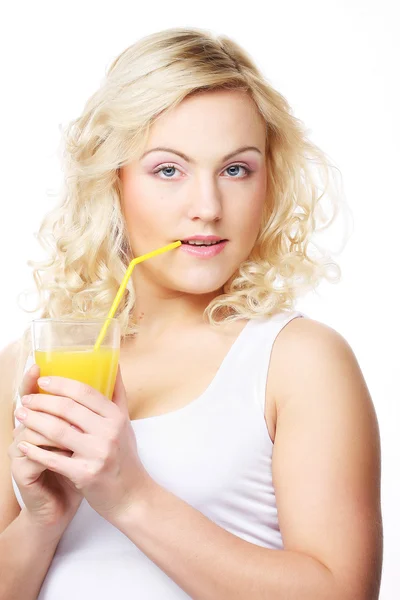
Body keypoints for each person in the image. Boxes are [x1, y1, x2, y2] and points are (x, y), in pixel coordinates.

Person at [0, 27, 382, 600]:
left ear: (267, 181)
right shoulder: (32, 363)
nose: (206, 208)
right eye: (168, 170)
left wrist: (128, 495)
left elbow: (344, 593)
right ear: (114, 181)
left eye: (235, 170)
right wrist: (43, 518)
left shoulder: (299, 361)